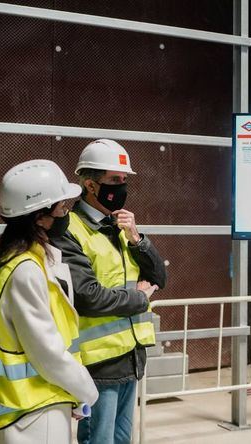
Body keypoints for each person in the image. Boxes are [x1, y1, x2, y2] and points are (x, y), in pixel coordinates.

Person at [0, 159, 98, 444]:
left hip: (26, 411)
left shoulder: (19, 260)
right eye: (62, 208)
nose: (67, 214)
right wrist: (86, 391)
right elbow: (48, 353)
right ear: (39, 217)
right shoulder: (26, 269)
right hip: (34, 414)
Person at [50, 139, 167, 444]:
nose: (122, 187)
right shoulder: (69, 229)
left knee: (121, 439)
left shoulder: (121, 227)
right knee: (98, 440)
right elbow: (88, 296)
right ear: (90, 184)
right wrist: (140, 298)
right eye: (115, 180)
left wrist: (137, 236)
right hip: (98, 362)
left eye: (125, 180)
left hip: (130, 355)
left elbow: (159, 278)